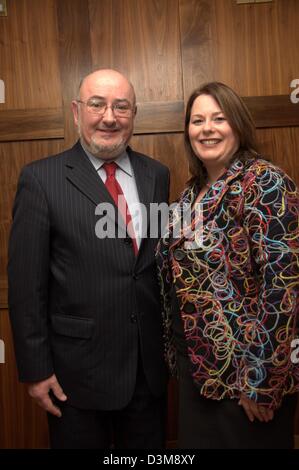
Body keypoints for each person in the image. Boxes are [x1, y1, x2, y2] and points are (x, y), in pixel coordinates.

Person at [8, 69, 170, 449]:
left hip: (147, 374)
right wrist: (35, 370)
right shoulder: (41, 179)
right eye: (97, 104)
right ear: (77, 112)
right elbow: (26, 285)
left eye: (121, 106)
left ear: (134, 115)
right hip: (76, 376)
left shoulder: (157, 175)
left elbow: (152, 266)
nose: (109, 117)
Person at [156, 82, 299, 449]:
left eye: (219, 118)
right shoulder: (190, 192)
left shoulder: (264, 182)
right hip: (198, 372)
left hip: (246, 379)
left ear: (238, 124)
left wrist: (262, 381)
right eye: (197, 120)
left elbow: (283, 287)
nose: (207, 128)